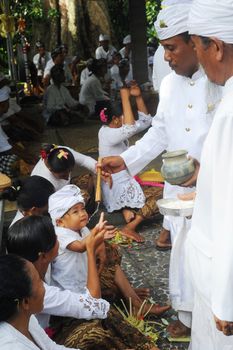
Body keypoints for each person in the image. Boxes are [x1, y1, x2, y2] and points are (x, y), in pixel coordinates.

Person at [101, 0, 222, 339]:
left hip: (214, 189)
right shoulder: (169, 84)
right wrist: (126, 160)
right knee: (182, 254)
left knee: (211, 256)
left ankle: (215, 315)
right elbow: (160, 132)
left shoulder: (221, 82)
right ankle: (187, 315)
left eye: (172, 48)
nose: (166, 57)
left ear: (196, 43)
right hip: (177, 190)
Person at [48, 185, 162, 349]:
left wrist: (98, 238)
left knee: (109, 252)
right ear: (60, 221)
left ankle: (132, 301)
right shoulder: (60, 234)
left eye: (82, 209)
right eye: (75, 211)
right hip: (71, 291)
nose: (83, 213)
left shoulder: (82, 229)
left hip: (84, 281)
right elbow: (80, 247)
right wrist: (97, 236)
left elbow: (90, 242)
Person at [184, 1, 233, 348]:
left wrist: (225, 299)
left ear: (215, 47)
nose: (198, 59)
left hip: (223, 284)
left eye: (196, 45)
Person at [7, 215, 110, 330]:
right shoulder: (42, 293)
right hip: (45, 335)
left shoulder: (34, 264)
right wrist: (90, 251)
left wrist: (93, 239)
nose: (58, 237)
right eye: (55, 238)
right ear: (44, 256)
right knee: (96, 330)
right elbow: (95, 304)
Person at [99, 85, 163, 242]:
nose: (128, 118)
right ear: (115, 119)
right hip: (116, 186)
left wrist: (138, 97)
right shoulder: (106, 133)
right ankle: (131, 225)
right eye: (123, 116)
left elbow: (146, 122)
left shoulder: (116, 130)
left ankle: (127, 210)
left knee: (158, 181)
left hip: (126, 180)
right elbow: (129, 128)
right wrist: (124, 97)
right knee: (163, 193)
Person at [0, 254, 77, 350]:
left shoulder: (26, 318)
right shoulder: (11, 346)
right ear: (25, 302)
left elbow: (51, 347)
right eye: (39, 281)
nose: (44, 287)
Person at [31, 144, 96, 191]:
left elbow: (85, 160)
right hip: (54, 201)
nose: (67, 177)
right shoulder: (42, 181)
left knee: (89, 180)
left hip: (66, 189)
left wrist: (100, 169)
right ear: (50, 170)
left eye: (70, 171)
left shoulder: (61, 152)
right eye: (63, 175)